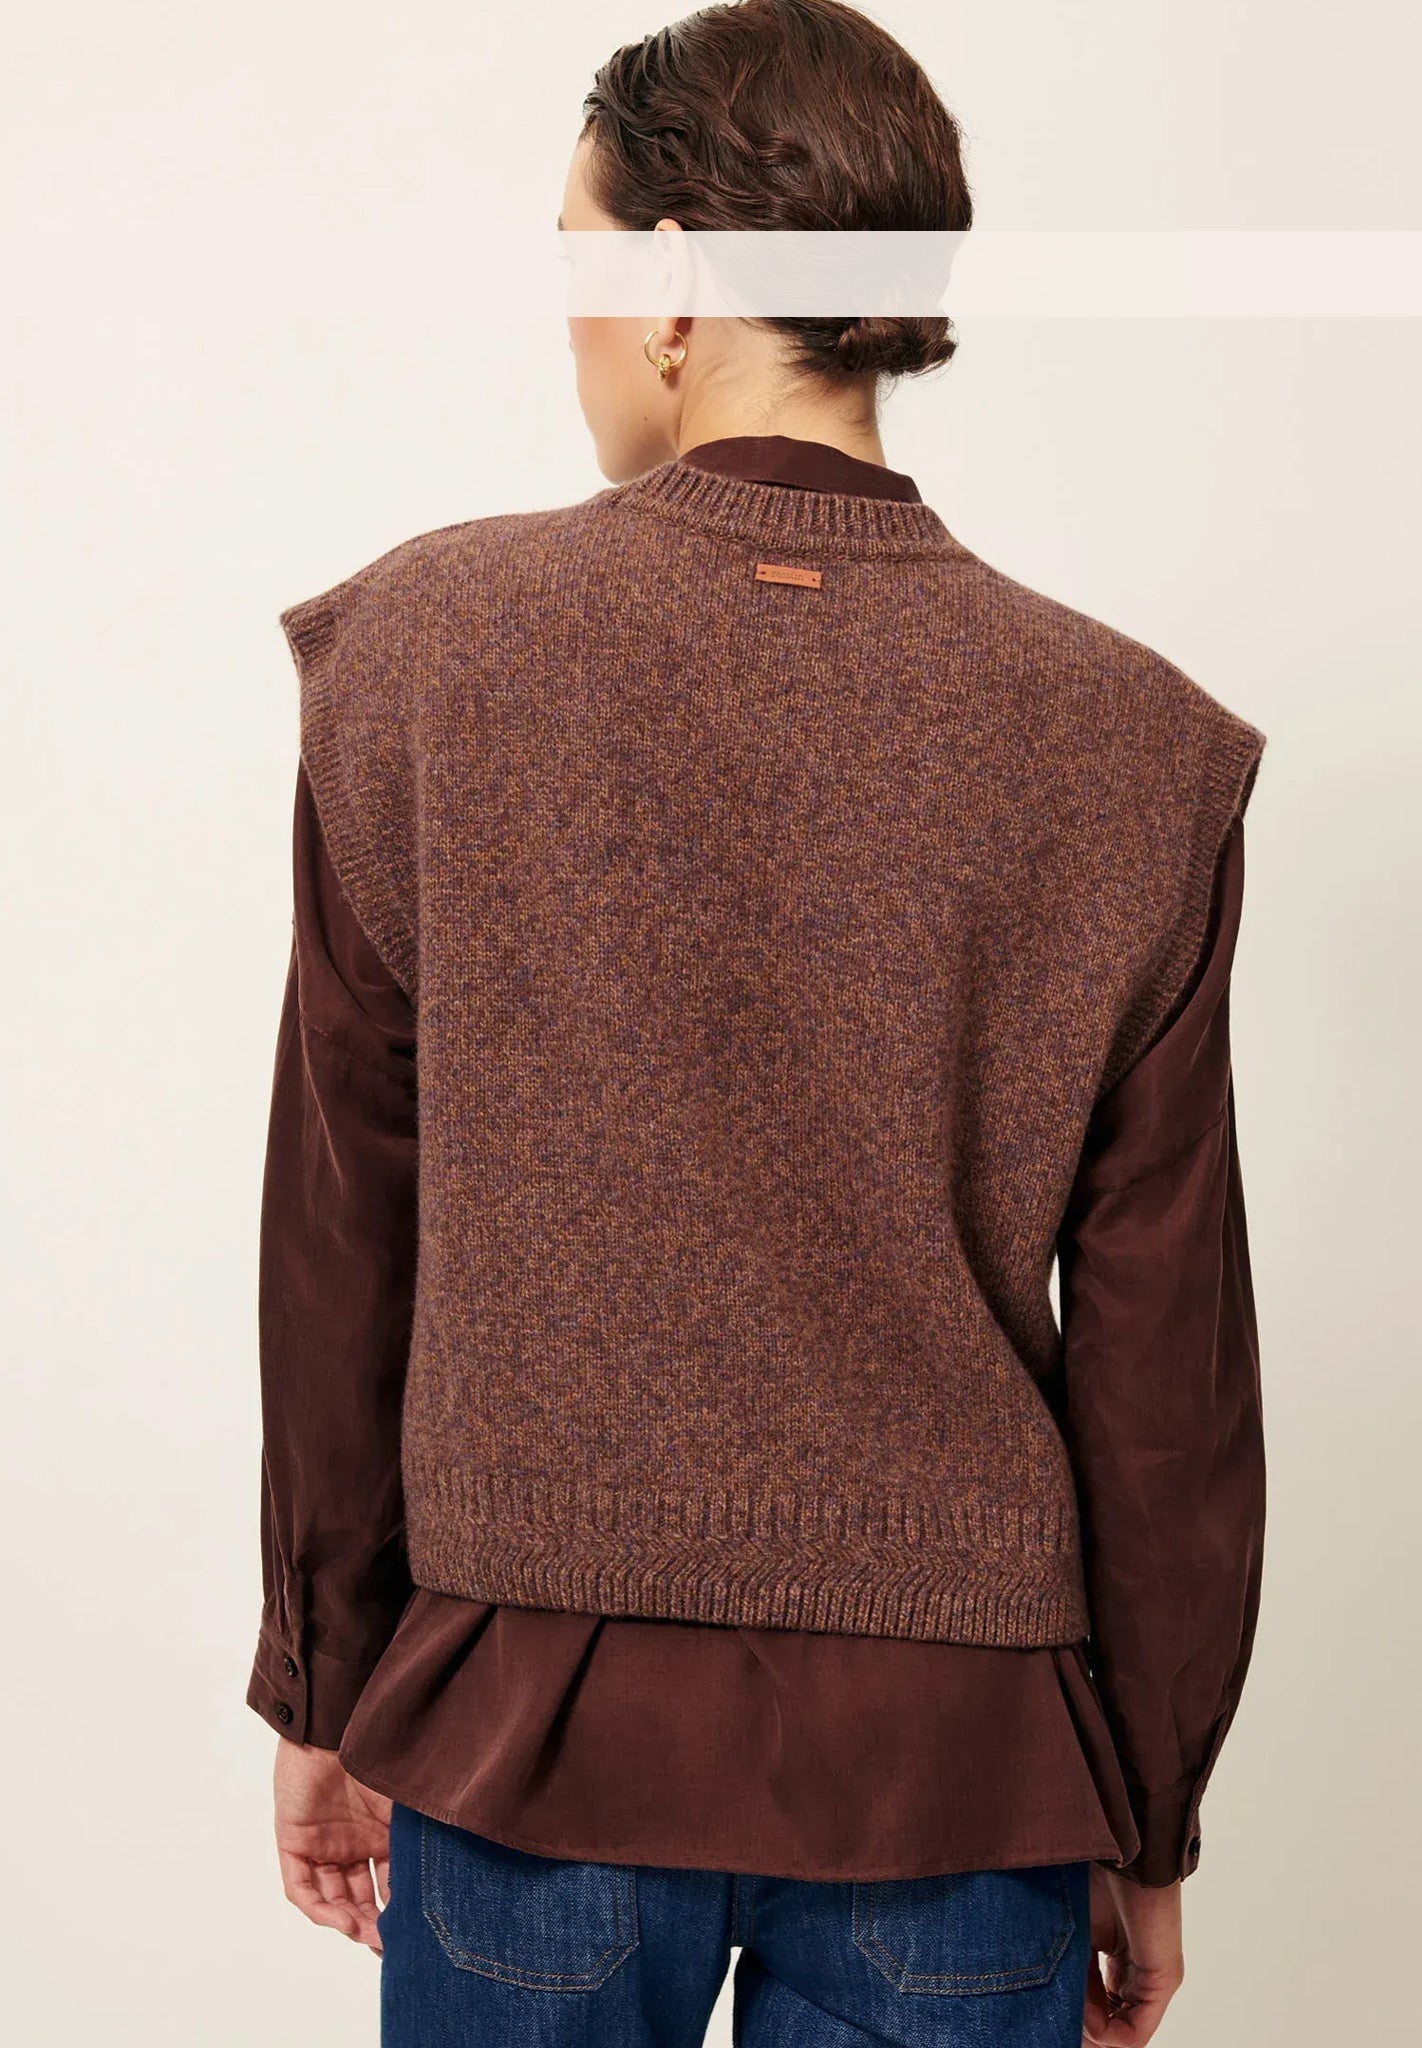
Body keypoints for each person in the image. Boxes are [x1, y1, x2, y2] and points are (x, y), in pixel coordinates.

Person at [247, 5, 1267, 2044]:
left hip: (522, 1739)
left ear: (677, 281)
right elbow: (1167, 1369)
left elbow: (346, 1232)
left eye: (576, 256)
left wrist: (329, 1684)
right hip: (962, 1778)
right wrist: (1147, 1807)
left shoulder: (430, 655)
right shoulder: (1130, 746)